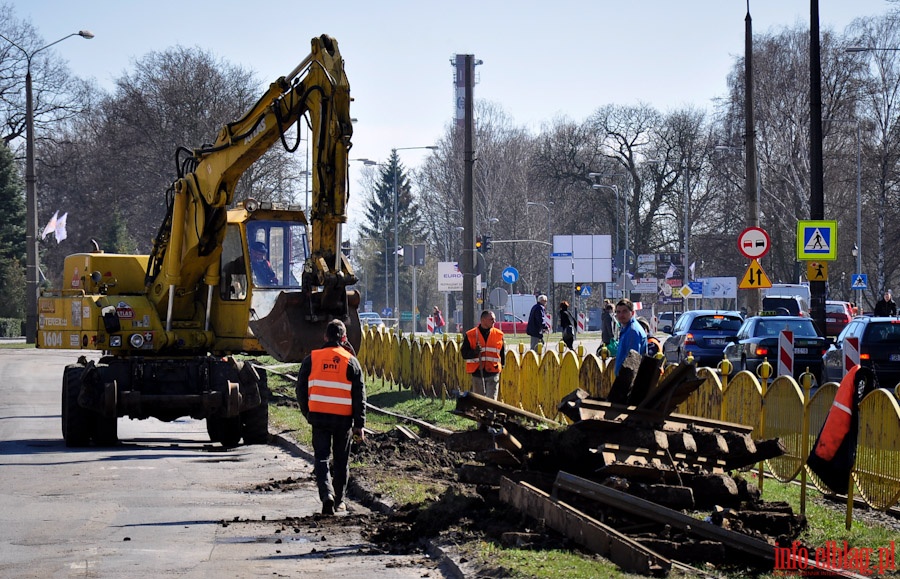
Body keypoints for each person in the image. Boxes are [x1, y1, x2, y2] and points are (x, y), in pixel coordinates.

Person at [295, 319, 366, 515]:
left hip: (318, 418)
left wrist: (307, 412)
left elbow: (300, 389)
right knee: (341, 461)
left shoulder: (312, 359)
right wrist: (359, 424)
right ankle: (339, 501)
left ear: (325, 337)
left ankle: (326, 494)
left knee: (321, 458)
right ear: (344, 338)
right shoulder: (351, 361)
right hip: (343, 421)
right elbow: (359, 396)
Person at [460, 310, 505, 399]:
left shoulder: (499, 335)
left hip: (493, 372)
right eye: (491, 319)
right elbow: (464, 354)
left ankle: (490, 413)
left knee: (491, 401)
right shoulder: (471, 334)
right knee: (479, 401)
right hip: (477, 373)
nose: (494, 322)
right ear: (483, 320)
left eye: (494, 319)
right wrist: (474, 352)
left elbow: (502, 354)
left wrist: (501, 366)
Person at [614, 298, 647, 375]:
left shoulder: (632, 331)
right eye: (618, 312)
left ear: (632, 313)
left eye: (624, 311)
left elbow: (632, 361)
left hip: (628, 379)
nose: (621, 315)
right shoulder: (626, 329)